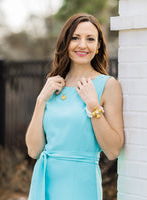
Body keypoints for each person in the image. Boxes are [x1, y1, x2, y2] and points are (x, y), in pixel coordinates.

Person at [25, 13, 124, 200]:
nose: (82, 45)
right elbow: (33, 150)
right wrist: (41, 101)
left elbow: (113, 151)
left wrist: (93, 105)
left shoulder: (108, 85)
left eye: (90, 39)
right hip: (45, 182)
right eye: (75, 38)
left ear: (98, 46)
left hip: (80, 185)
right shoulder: (53, 85)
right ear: (66, 43)